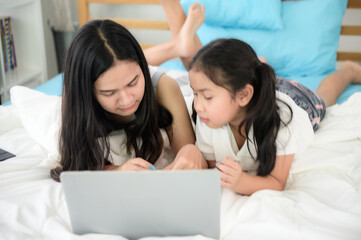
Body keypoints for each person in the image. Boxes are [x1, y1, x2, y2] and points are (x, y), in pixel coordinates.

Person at [187, 38, 361, 196]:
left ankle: (349, 71)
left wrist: (241, 182)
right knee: (259, 81)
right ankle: (258, 65)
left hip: (296, 100)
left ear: (243, 95)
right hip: (258, 91)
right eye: (195, 94)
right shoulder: (206, 117)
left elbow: (277, 182)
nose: (197, 106)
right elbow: (214, 169)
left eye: (207, 97)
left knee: (324, 98)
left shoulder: (284, 120)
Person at [50, 19, 207, 182]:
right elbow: (76, 167)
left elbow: (189, 156)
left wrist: (191, 152)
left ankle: (178, 46)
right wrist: (116, 171)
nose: (126, 100)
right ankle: (177, 45)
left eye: (133, 83)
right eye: (109, 93)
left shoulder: (164, 87)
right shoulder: (76, 97)